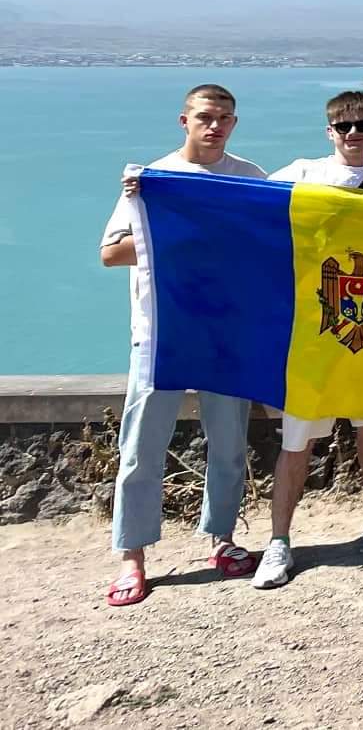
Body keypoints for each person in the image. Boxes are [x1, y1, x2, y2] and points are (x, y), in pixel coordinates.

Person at [255, 91, 363, 589]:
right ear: (329, 131)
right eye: (344, 126)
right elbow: (245, 208)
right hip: (312, 336)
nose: (353, 133)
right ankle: (279, 541)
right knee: (297, 441)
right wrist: (159, 189)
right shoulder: (301, 175)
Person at [100, 84, 265, 607]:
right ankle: (132, 555)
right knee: (141, 447)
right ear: (184, 121)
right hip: (162, 332)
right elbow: (111, 254)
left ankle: (223, 539)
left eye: (224, 118)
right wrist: (177, 228)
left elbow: (271, 243)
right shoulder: (153, 180)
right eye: (205, 117)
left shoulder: (250, 179)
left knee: (229, 443)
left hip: (226, 332)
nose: (214, 126)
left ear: (234, 123)